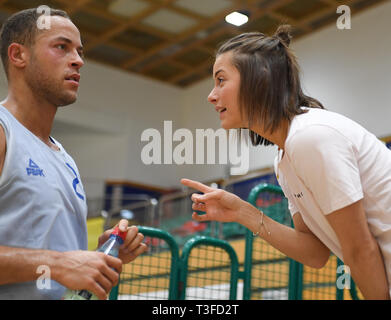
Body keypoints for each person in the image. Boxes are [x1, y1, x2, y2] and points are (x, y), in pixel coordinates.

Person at [181, 25, 391, 300]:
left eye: (221, 80)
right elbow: (315, 252)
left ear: (260, 78)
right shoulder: (285, 159)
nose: (211, 95)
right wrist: (243, 212)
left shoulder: (310, 136)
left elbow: (360, 248)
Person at [0, 8, 147, 300]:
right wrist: (58, 264)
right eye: (62, 47)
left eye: (79, 51)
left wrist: (100, 257)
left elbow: (56, 268)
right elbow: (55, 264)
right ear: (18, 55)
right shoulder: (3, 132)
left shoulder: (66, 159)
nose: (79, 60)